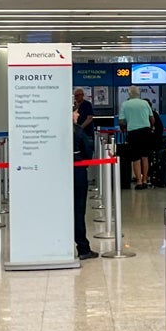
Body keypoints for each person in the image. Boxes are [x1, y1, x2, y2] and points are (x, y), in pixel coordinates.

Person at [71, 111, 98, 260]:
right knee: (78, 211)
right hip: (78, 172)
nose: (77, 114)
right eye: (74, 111)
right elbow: (88, 152)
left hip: (60, 173)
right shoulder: (78, 130)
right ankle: (83, 248)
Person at [118, 87, 154, 189]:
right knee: (145, 156)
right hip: (145, 131)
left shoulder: (125, 104)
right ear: (139, 94)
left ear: (129, 94)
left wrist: (123, 128)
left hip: (133, 132)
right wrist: (150, 127)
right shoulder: (145, 103)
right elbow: (152, 118)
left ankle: (138, 182)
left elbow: (121, 121)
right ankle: (145, 180)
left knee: (135, 157)